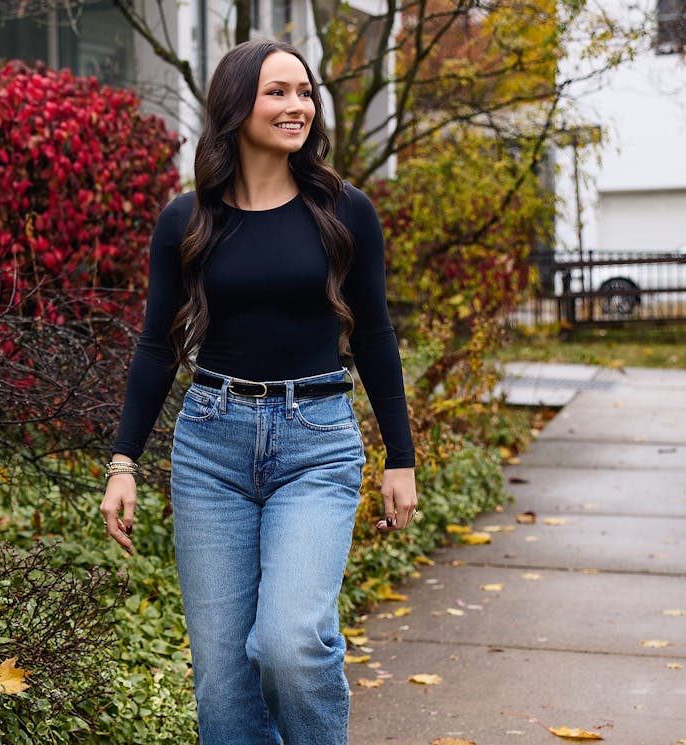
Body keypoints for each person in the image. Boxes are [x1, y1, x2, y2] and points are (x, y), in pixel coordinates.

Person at [100, 38, 418, 745]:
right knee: (222, 681)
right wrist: (124, 462)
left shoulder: (345, 211)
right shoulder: (187, 221)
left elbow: (374, 335)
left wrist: (401, 457)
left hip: (317, 443)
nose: (297, 105)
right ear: (237, 104)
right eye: (278, 92)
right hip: (211, 447)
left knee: (289, 643)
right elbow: (156, 345)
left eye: (304, 92)